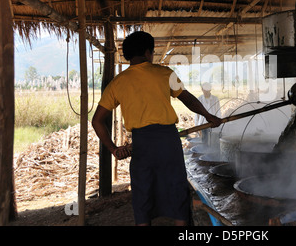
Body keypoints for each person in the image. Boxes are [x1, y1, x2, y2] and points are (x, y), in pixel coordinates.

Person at [91, 31, 222, 226]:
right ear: (147, 52)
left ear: (128, 55)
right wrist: (208, 115)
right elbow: (187, 98)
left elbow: (96, 121)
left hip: (142, 147)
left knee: (143, 196)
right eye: (152, 52)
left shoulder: (117, 83)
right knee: (177, 192)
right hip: (168, 143)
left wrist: (113, 149)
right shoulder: (165, 73)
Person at [194, 82, 221, 146]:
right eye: (204, 89)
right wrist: (197, 126)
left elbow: (218, 112)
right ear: (202, 89)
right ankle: (205, 155)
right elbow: (196, 115)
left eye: (207, 89)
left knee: (214, 143)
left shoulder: (215, 99)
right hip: (203, 125)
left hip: (213, 124)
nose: (206, 91)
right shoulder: (199, 99)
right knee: (204, 143)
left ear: (210, 89)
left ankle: (214, 154)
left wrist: (219, 125)